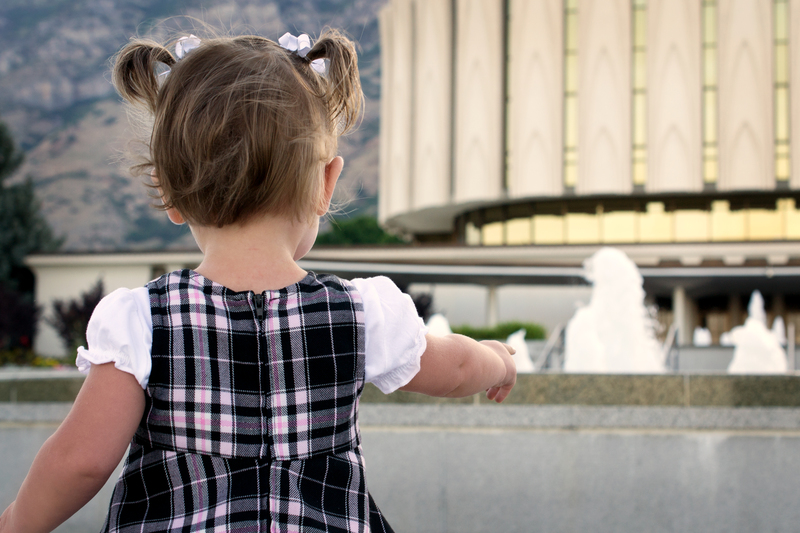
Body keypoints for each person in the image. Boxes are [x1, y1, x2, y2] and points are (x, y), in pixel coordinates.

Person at [0, 26, 516, 533]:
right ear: (326, 183)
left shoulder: (142, 322)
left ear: (169, 190)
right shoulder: (361, 314)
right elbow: (457, 368)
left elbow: (82, 462)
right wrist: (497, 359)